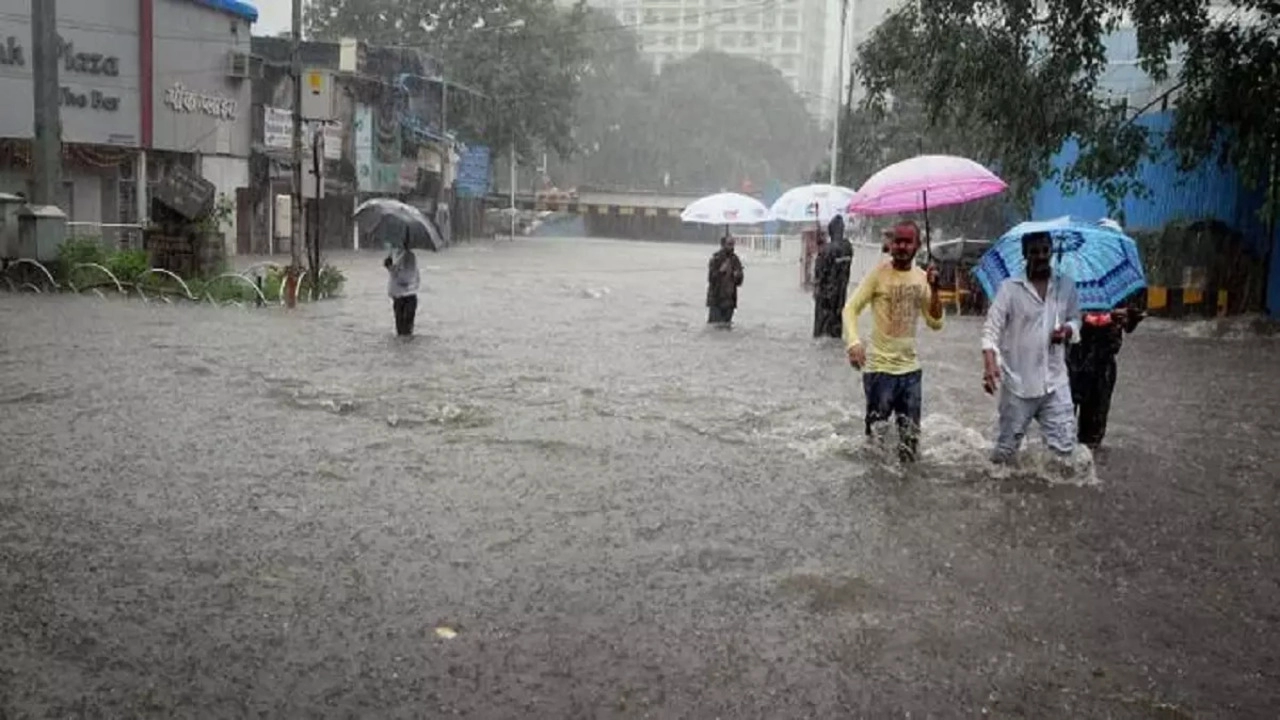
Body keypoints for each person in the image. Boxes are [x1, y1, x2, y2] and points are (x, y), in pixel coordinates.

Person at [844, 221, 943, 462]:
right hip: (879, 370)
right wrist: (854, 343)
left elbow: (936, 322)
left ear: (917, 246)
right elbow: (850, 309)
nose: (901, 246)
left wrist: (936, 289)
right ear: (890, 244)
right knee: (875, 443)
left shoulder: (922, 278)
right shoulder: (878, 275)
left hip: (911, 372)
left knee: (910, 445)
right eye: (898, 240)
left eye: (908, 241)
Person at [981, 231, 1082, 464]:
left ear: (1052, 252)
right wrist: (989, 366)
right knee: (1004, 456)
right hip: (1018, 385)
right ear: (1025, 254)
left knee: (1065, 454)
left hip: (1055, 383)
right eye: (1034, 251)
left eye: (1046, 250)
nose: (1041, 256)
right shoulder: (1009, 289)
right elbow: (990, 330)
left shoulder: (1065, 286)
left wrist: (1067, 330)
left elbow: (1077, 319)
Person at [1068, 295, 1144, 449]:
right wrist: (1096, 318)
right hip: (1070, 362)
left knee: (1092, 437)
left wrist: (1129, 317)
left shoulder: (1118, 289)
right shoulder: (1064, 285)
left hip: (1103, 364)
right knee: (1059, 429)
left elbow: (1129, 325)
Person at [813, 214, 854, 338]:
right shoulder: (848, 247)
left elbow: (819, 273)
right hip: (841, 294)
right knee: (836, 325)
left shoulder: (826, 250)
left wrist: (821, 248)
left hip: (825, 296)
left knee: (822, 330)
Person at [384, 232, 421, 337]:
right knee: (402, 334)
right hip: (400, 297)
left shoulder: (409, 257)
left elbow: (405, 279)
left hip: (406, 298)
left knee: (404, 333)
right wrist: (390, 266)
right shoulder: (399, 254)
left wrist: (390, 268)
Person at [706, 234, 744, 327]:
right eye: (729, 244)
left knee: (727, 327)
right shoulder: (716, 259)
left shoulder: (735, 260)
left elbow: (739, 282)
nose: (732, 247)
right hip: (716, 300)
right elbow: (711, 279)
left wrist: (738, 276)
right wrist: (720, 271)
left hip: (730, 301)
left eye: (733, 244)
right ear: (723, 245)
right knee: (714, 327)